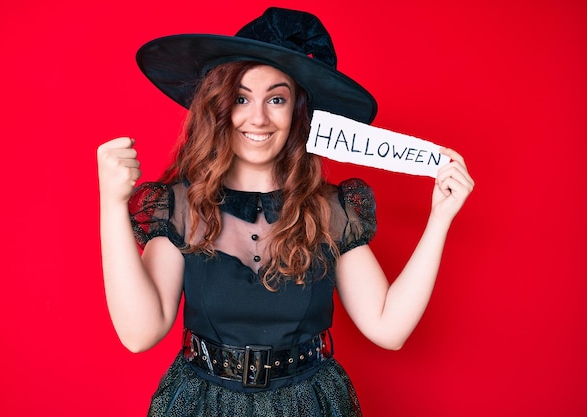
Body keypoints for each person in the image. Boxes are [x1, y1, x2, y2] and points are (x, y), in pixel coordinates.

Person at [96, 7, 474, 417]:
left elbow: (388, 327)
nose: (258, 118)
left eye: (276, 98)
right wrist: (112, 205)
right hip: (203, 405)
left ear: (298, 112)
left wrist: (440, 218)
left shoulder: (330, 209)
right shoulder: (181, 207)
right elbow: (140, 334)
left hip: (308, 404)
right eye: (241, 98)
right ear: (219, 107)